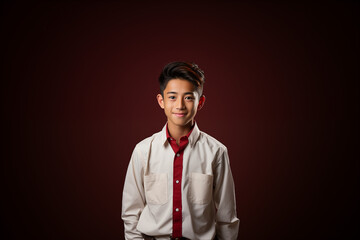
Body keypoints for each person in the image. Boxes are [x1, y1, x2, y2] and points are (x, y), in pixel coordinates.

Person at [121, 62, 239, 239]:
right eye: (172, 97)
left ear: (200, 102)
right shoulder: (143, 151)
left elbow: (226, 217)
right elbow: (131, 214)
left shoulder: (216, 152)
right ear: (161, 101)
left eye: (189, 97)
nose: (180, 105)